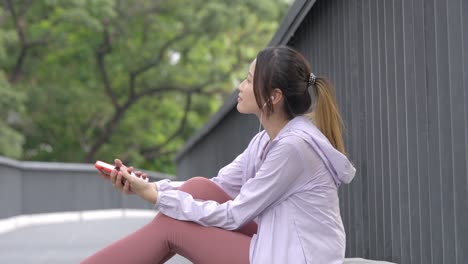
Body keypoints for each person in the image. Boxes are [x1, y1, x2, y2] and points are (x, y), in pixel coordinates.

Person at [82, 45, 356, 264]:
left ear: (273, 97)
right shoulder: (265, 140)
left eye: (248, 81)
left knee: (172, 229)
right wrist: (149, 187)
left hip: (297, 257)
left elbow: (234, 215)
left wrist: (156, 196)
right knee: (199, 187)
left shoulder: (293, 148)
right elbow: (218, 187)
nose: (240, 87)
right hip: (279, 242)